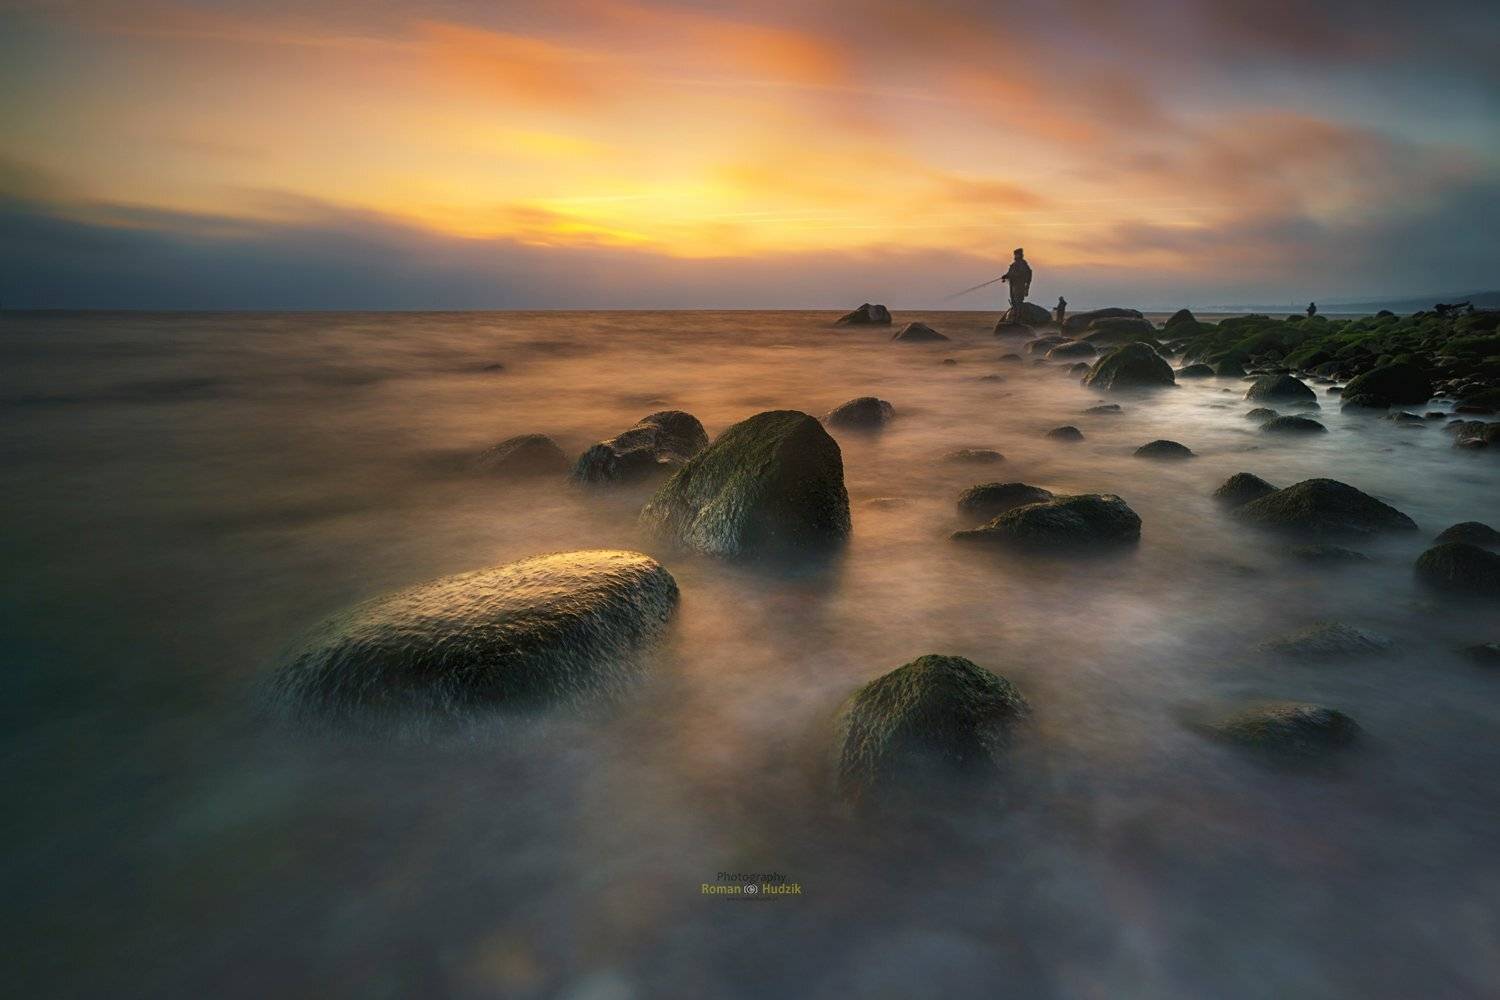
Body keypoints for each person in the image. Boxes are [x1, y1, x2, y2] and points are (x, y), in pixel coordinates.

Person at [1000, 248, 1032, 317]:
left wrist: (1013, 276)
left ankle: (1019, 316)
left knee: (1018, 300)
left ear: (1020, 255)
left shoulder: (1023, 264)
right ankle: (1015, 314)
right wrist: (1005, 276)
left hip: (1019, 285)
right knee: (1013, 299)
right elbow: (1009, 273)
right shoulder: (1013, 265)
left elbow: (1023, 274)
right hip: (1013, 285)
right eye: (1015, 254)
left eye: (1016, 254)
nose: (1015, 256)